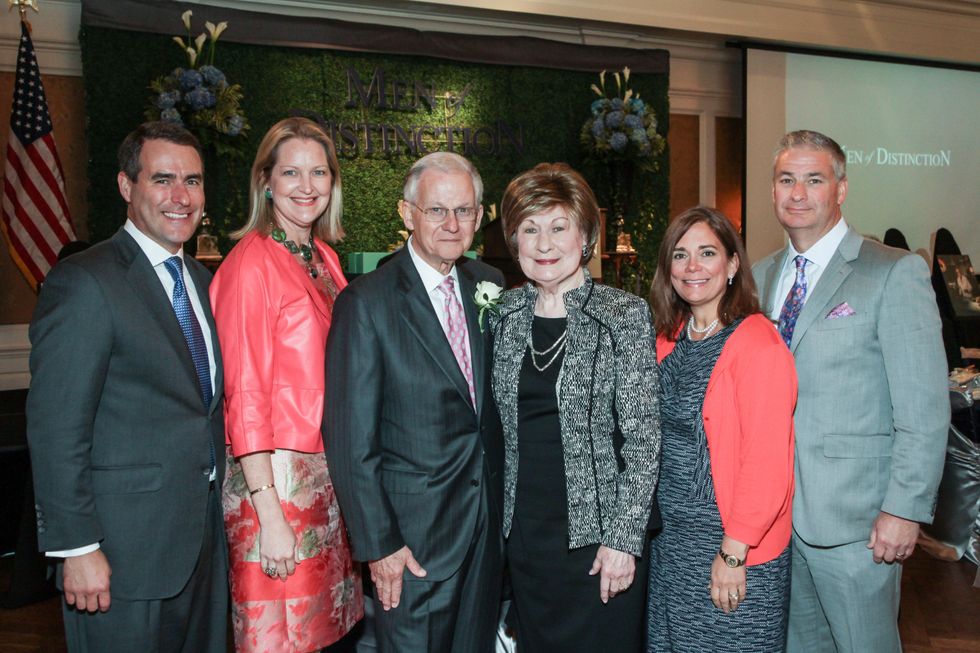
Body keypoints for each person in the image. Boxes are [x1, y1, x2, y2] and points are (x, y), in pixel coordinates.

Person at [26, 121, 227, 652]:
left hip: (204, 545)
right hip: (120, 555)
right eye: (162, 180)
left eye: (193, 181)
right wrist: (77, 547)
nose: (180, 197)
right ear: (125, 186)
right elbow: (56, 427)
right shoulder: (86, 281)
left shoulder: (208, 285)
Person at [753, 130, 949, 653]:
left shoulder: (893, 272)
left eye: (814, 179)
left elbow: (924, 408)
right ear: (772, 191)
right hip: (776, 522)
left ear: (841, 189)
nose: (798, 193)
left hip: (859, 525)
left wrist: (904, 510)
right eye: (786, 179)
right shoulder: (759, 277)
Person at [323, 151, 505, 653]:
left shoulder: (490, 285)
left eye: (464, 211)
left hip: (484, 534)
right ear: (407, 214)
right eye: (437, 210)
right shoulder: (366, 303)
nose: (452, 224)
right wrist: (380, 544)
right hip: (413, 543)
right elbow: (348, 440)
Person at [487, 162, 660, 652]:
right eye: (530, 229)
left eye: (558, 227)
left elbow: (644, 438)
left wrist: (625, 540)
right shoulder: (504, 315)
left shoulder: (621, 315)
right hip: (526, 540)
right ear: (514, 240)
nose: (544, 244)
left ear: (584, 235)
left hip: (601, 544)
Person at [210, 117, 362, 652]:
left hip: (325, 482)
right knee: (283, 640)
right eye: (291, 172)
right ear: (265, 182)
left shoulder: (324, 258)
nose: (306, 186)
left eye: (318, 172)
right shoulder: (251, 263)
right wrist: (269, 515)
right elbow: (244, 396)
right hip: (275, 485)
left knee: (327, 636)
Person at [646, 205, 797, 651]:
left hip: (730, 548)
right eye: (680, 255)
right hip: (670, 543)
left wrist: (733, 551)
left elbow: (768, 463)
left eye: (707, 253)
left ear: (732, 264)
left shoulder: (757, 343)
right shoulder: (669, 336)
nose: (692, 267)